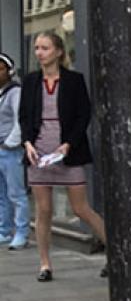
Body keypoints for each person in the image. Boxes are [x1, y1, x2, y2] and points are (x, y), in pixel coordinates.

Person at [20, 31, 109, 281]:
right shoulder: (30, 82)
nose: (39, 53)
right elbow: (24, 116)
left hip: (68, 150)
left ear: (58, 51)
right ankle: (45, 264)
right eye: (37, 48)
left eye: (45, 48)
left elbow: (84, 114)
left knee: (81, 208)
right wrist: (27, 142)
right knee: (44, 210)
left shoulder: (74, 80)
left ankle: (115, 251)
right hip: (38, 151)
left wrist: (69, 143)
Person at [0, 53, 27, 251]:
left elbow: (20, 120)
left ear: (9, 71)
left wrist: (10, 144)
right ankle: (4, 229)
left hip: (9, 149)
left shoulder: (14, 92)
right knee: (2, 194)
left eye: (1, 69)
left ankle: (21, 232)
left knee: (16, 193)